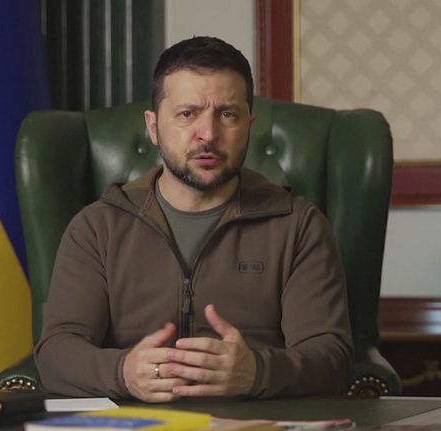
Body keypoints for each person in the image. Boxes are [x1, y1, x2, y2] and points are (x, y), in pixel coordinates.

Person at [34, 36, 353, 402]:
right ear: (153, 127)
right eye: (187, 114)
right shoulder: (97, 227)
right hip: (135, 421)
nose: (209, 135)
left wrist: (258, 372)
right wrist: (122, 372)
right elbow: (55, 354)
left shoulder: (298, 225)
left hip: (253, 421)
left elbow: (331, 358)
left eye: (228, 115)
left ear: (249, 125)